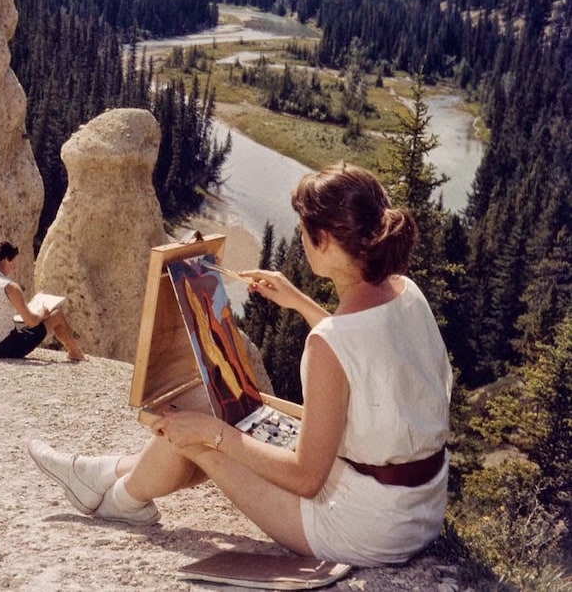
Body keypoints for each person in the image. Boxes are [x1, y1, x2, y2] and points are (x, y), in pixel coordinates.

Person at [28, 163, 453, 567]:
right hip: (418, 509)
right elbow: (367, 353)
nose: (301, 238)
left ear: (323, 239)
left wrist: (214, 434)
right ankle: (100, 476)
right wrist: (300, 303)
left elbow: (306, 479)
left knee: (198, 427)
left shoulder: (328, 344)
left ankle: (119, 500)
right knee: (209, 412)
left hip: (364, 528)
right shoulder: (406, 291)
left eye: (303, 230)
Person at [0, 240, 86, 361]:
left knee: (20, 325)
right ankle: (75, 352)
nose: (13, 266)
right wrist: (42, 314)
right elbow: (31, 321)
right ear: (5, 260)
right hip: (2, 348)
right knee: (57, 315)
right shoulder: (10, 287)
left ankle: (74, 352)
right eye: (12, 261)